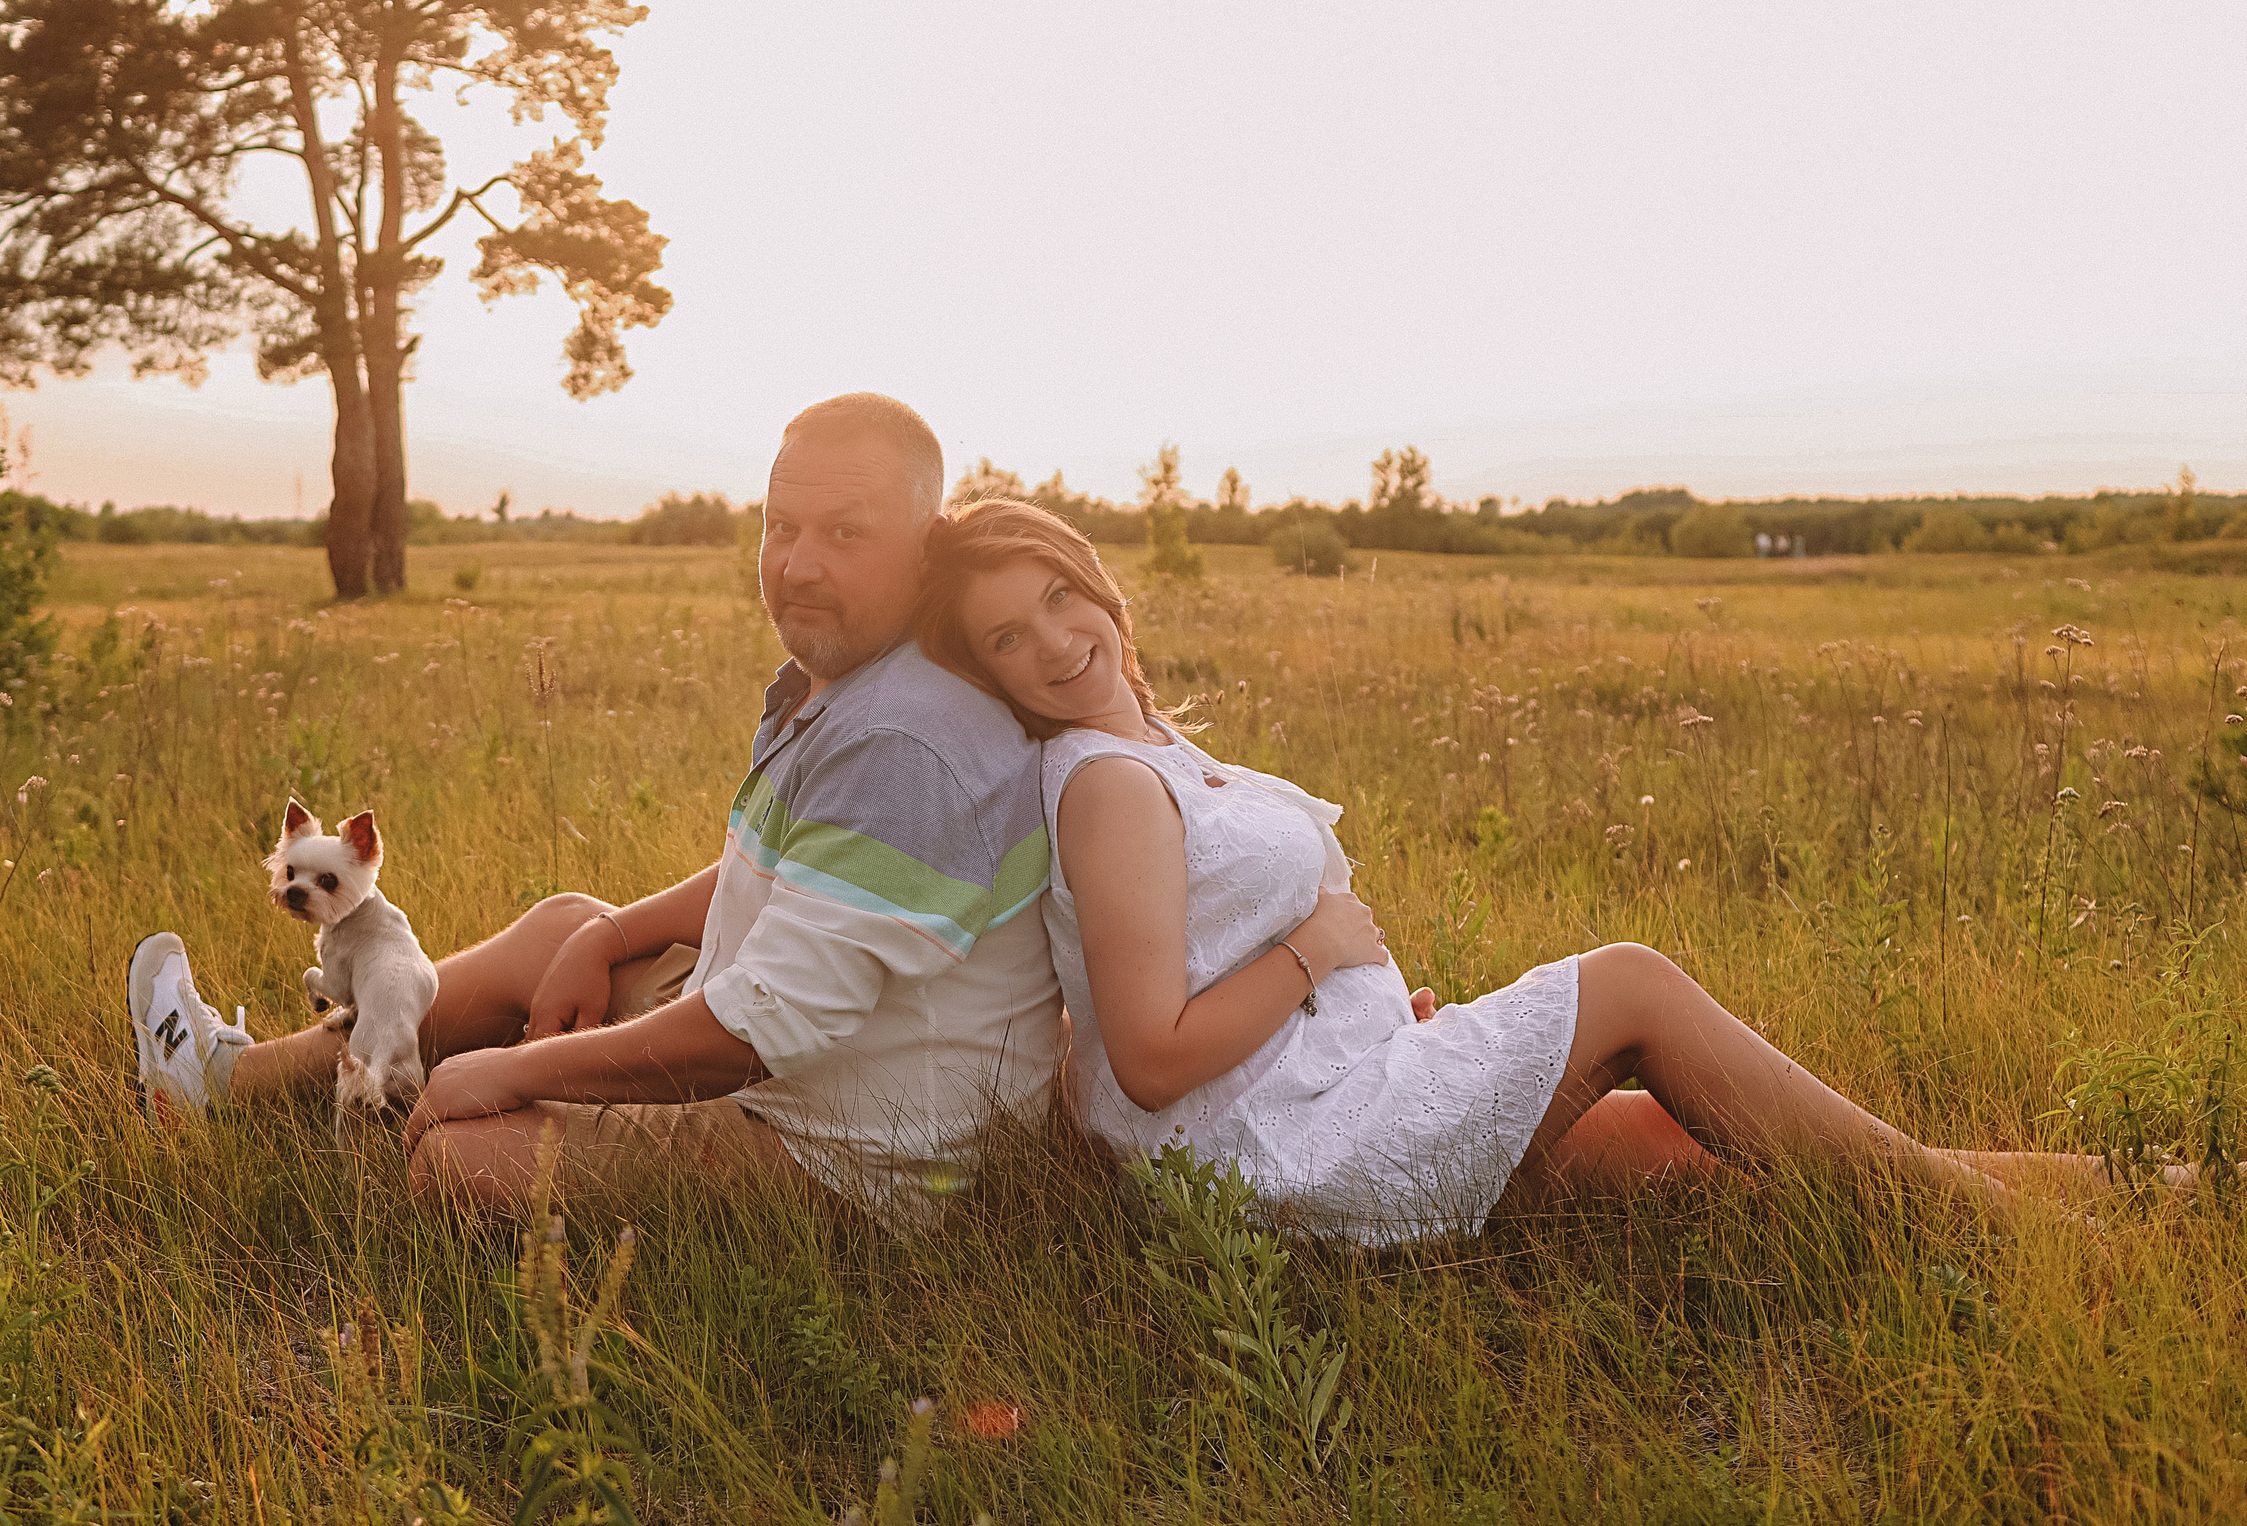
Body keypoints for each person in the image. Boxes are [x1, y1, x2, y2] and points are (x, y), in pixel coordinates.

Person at [912, 498, 2141, 1244]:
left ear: (1097, 584)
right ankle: (2034, 1239)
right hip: (1281, 1161)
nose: (1055, 643)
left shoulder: (1153, 751)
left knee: (1681, 1145)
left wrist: (1359, 1017)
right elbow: (1147, 1055)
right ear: (989, 675)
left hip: (1335, 1092)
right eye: (1006, 639)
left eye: (1058, 597)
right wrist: (1315, 960)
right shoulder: (1107, 785)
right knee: (1631, 985)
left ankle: (2144, 1190)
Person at [128, 394, 1063, 1229]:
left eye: (846, 534)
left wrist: (515, 1071)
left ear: (926, 545)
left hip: (859, 1153)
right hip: (815, 1051)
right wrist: (614, 935)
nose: (800, 563)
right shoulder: (858, 687)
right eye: (782, 525)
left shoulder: (908, 741)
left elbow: (756, 1029)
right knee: (567, 926)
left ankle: (370, 1102)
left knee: (462, 1159)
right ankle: (229, 1081)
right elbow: (778, 874)